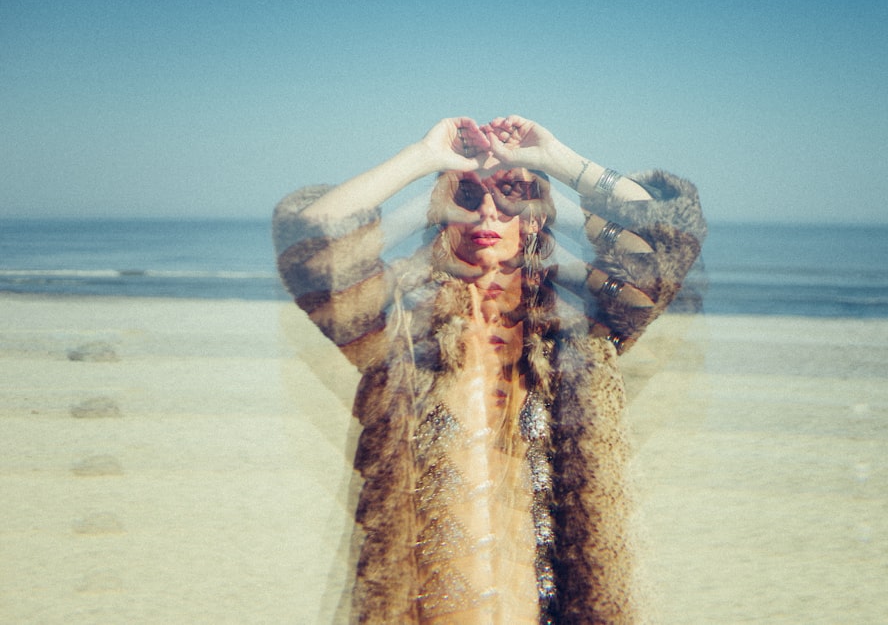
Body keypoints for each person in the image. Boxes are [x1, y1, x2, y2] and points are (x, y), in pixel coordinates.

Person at [273, 116, 706, 624]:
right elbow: (309, 245)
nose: (486, 213)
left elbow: (672, 233)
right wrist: (423, 157)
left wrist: (557, 160)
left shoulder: (581, 333)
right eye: (466, 197)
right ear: (441, 216)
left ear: (536, 219)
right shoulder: (399, 334)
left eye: (509, 196)